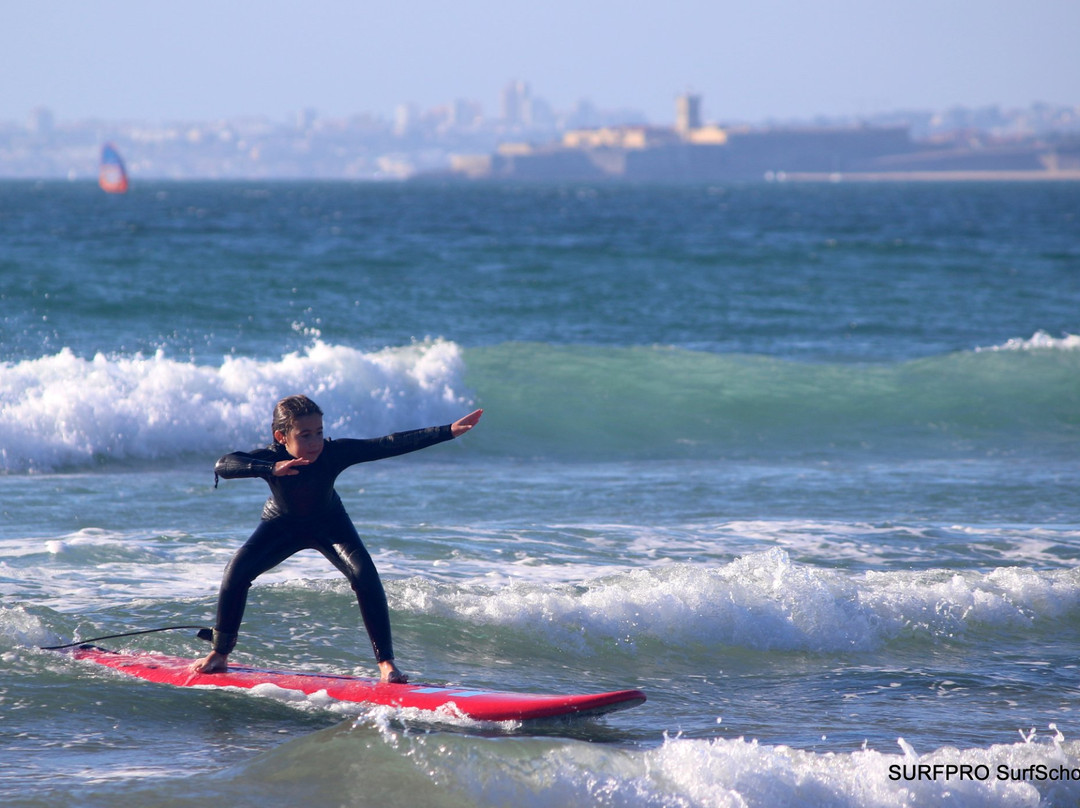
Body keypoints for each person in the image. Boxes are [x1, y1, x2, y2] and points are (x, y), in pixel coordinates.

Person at [191, 394, 483, 682]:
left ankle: (386, 663)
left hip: (330, 524)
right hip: (280, 525)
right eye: (304, 435)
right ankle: (220, 654)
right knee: (236, 572)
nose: (315, 442)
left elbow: (387, 444)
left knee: (365, 577)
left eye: (319, 432)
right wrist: (270, 468)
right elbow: (224, 465)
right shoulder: (271, 457)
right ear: (281, 436)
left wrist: (447, 431)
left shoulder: (332, 453)